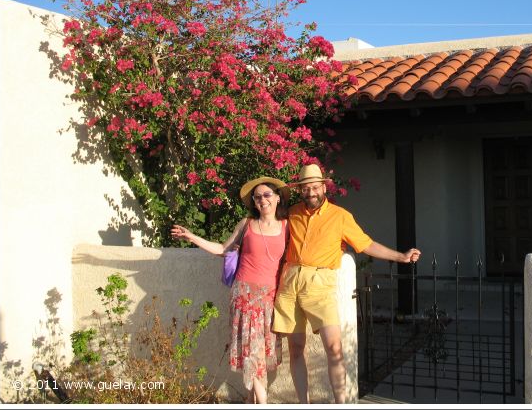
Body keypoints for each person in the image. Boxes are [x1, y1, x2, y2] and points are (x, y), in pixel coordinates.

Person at [272, 164, 421, 404]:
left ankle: (341, 404)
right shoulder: (292, 212)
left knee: (334, 348)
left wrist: (400, 256)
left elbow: (366, 244)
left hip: (321, 283)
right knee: (296, 349)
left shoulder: (340, 217)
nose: (310, 192)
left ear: (324, 187)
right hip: (290, 283)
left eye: (314, 187)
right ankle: (303, 404)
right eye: (305, 188)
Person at [171, 176, 290, 404]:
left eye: (266, 195)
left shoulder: (287, 227)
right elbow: (222, 249)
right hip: (244, 295)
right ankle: (262, 402)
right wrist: (191, 236)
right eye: (257, 197)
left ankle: (249, 399)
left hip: (269, 298)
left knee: (261, 353)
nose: (262, 200)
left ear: (277, 198)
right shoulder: (246, 224)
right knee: (252, 350)